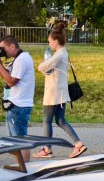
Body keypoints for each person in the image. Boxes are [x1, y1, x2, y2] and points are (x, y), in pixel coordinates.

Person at [35, 20, 87, 160]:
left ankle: (47, 149)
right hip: (61, 92)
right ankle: (78, 144)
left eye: (50, 42)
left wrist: (42, 66)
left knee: (46, 120)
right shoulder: (64, 53)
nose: (49, 44)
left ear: (56, 42)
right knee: (60, 120)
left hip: (53, 93)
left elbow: (42, 67)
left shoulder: (58, 55)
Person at [0, 34, 35, 168]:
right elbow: (5, 75)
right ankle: (21, 166)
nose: (1, 51)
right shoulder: (17, 59)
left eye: (3, 48)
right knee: (15, 141)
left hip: (19, 106)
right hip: (15, 105)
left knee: (20, 141)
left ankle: (24, 168)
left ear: (12, 46)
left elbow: (11, 81)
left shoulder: (22, 59)